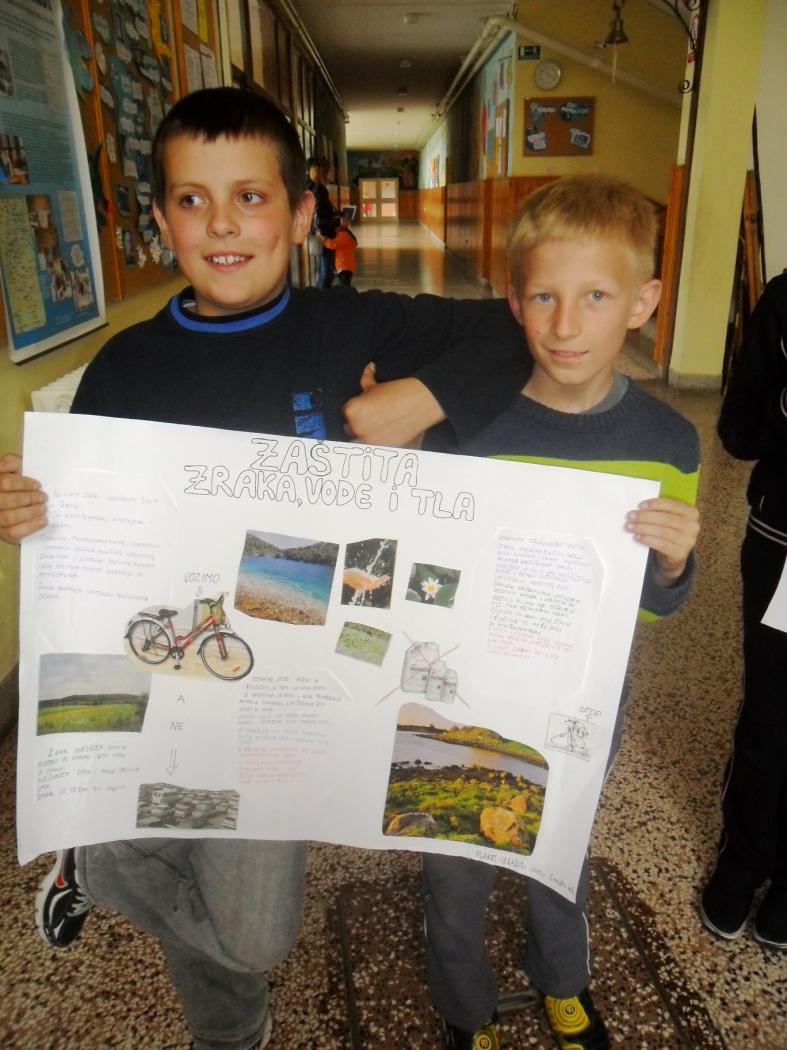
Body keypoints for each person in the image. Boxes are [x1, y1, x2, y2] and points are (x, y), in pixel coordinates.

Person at [0, 86, 528, 1050]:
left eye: (250, 197)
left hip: (287, 693)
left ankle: (98, 867)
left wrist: (423, 396)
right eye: (191, 200)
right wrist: (31, 516)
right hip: (176, 682)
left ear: (298, 212)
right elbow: (87, 540)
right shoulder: (126, 368)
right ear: (162, 219)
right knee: (231, 925)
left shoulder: (348, 328)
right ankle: (230, 1034)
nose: (222, 224)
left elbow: (507, 328)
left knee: (251, 928)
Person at [417, 175, 701, 1050]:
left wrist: (673, 562)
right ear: (513, 301)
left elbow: (654, 610)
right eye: (543, 296)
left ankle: (562, 979)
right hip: (466, 693)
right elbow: (426, 577)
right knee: (454, 857)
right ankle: (465, 1006)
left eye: (596, 297)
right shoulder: (463, 431)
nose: (566, 324)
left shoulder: (668, 442)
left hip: (584, 698)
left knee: (557, 846)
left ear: (642, 303)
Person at [699, 273, 787, 951]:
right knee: (771, 715)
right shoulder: (785, 301)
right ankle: (744, 857)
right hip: (784, 546)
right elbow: (735, 431)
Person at [306, 156, 339, 289]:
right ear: (323, 173)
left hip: (324, 237)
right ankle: (322, 298)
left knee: (324, 272)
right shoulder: (320, 191)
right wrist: (338, 221)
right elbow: (319, 220)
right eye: (331, 170)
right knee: (326, 274)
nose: (334, 172)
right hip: (325, 238)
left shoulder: (318, 189)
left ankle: (322, 296)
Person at [322, 212, 358, 286]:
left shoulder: (343, 234)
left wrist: (324, 240)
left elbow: (333, 244)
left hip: (344, 265)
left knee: (345, 285)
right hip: (346, 264)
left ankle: (346, 293)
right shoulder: (346, 233)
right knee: (345, 284)